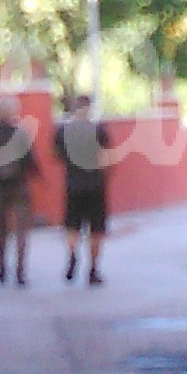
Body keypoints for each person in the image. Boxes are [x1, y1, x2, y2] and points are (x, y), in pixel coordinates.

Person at [53, 92, 112, 286]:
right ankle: (93, 270)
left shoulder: (62, 131)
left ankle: (72, 256)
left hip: (73, 184)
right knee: (96, 229)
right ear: (90, 108)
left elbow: (57, 157)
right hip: (95, 184)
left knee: (72, 226)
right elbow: (105, 159)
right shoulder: (99, 130)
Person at [0, 94, 37, 285]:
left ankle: (1, 271)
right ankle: (20, 273)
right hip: (20, 187)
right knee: (21, 231)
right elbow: (30, 161)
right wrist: (39, 177)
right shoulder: (21, 134)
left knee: (1, 230)